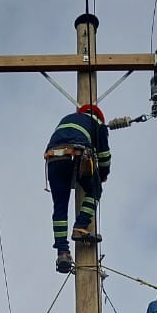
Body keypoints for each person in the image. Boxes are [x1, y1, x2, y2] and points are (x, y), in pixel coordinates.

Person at [44, 103, 111, 273]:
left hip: (53, 158)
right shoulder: (98, 124)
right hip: (77, 154)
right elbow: (104, 155)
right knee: (95, 190)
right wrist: (103, 175)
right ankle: (80, 227)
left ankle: (62, 253)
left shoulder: (67, 119)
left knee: (60, 206)